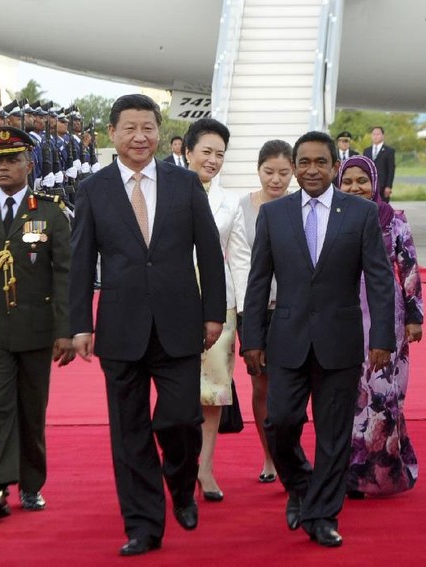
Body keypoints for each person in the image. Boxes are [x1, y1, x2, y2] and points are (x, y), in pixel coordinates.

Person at [69, 94, 225, 556]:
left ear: (160, 132)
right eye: (130, 128)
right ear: (112, 133)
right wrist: (79, 322)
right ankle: (142, 524)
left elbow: (209, 252)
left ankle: (180, 484)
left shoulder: (184, 183)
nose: (140, 137)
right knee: (129, 432)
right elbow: (80, 263)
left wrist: (213, 312)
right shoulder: (93, 190)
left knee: (180, 418)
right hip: (119, 329)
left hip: (180, 323)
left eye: (148, 127)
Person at [242, 131, 395, 548]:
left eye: (321, 162)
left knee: (333, 435)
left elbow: (380, 280)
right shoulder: (274, 215)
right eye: (304, 162)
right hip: (286, 339)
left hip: (340, 341)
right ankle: (300, 484)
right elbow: (258, 281)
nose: (312, 170)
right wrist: (251, 338)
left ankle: (323, 513)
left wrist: (381, 336)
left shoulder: (360, 213)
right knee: (280, 422)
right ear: (294, 166)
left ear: (334, 166)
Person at [0, 126, 74, 518]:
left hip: (36, 328)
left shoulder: (50, 211)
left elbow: (63, 275)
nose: (4, 167)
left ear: (29, 164)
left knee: (30, 408)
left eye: (12, 160)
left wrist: (64, 331)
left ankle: (31, 485)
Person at [337, 155, 423, 498]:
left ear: (374, 182)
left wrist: (415, 318)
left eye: (362, 180)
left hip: (386, 317)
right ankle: (347, 475)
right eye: (348, 181)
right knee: (350, 396)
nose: (355, 187)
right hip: (344, 316)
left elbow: (410, 269)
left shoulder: (394, 221)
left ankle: (383, 475)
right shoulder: (334, 218)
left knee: (383, 395)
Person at [183, 118, 250, 502]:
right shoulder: (166, 191)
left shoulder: (230, 201)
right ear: (187, 151)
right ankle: (180, 461)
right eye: (206, 152)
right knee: (178, 389)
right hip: (173, 301)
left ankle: (205, 467)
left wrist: (242, 311)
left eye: (219, 154)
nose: (212, 160)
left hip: (217, 302)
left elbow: (239, 258)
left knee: (213, 391)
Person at [235, 139, 293, 484]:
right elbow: (240, 263)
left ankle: (290, 451)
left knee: (291, 387)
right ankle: (269, 455)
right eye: (269, 172)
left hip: (293, 311)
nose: (276, 179)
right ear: (258, 170)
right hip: (255, 310)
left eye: (284, 173)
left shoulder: (303, 207)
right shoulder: (241, 207)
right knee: (262, 387)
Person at [363, 126, 395, 202]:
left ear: (383, 136)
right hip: (369, 186)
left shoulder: (389, 151)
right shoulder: (367, 151)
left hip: (382, 187)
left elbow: (391, 170)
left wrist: (388, 186)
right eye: (374, 134)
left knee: (382, 210)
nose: (375, 136)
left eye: (378, 134)